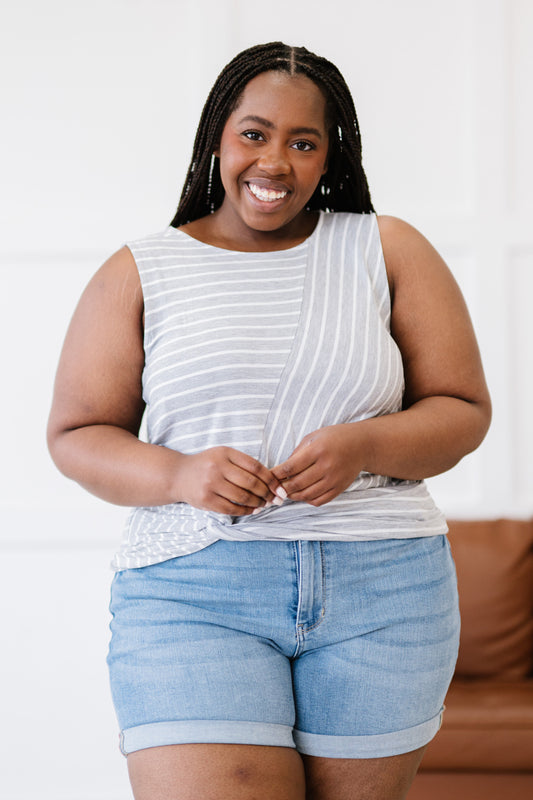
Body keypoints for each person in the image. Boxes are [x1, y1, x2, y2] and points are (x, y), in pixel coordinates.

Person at [47, 42, 491, 800]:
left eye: (303, 141)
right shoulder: (142, 269)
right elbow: (76, 434)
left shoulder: (386, 250)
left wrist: (366, 445)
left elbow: (462, 410)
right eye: (254, 134)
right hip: (194, 591)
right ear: (217, 136)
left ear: (329, 155)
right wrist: (179, 473)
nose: (274, 161)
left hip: (383, 590)